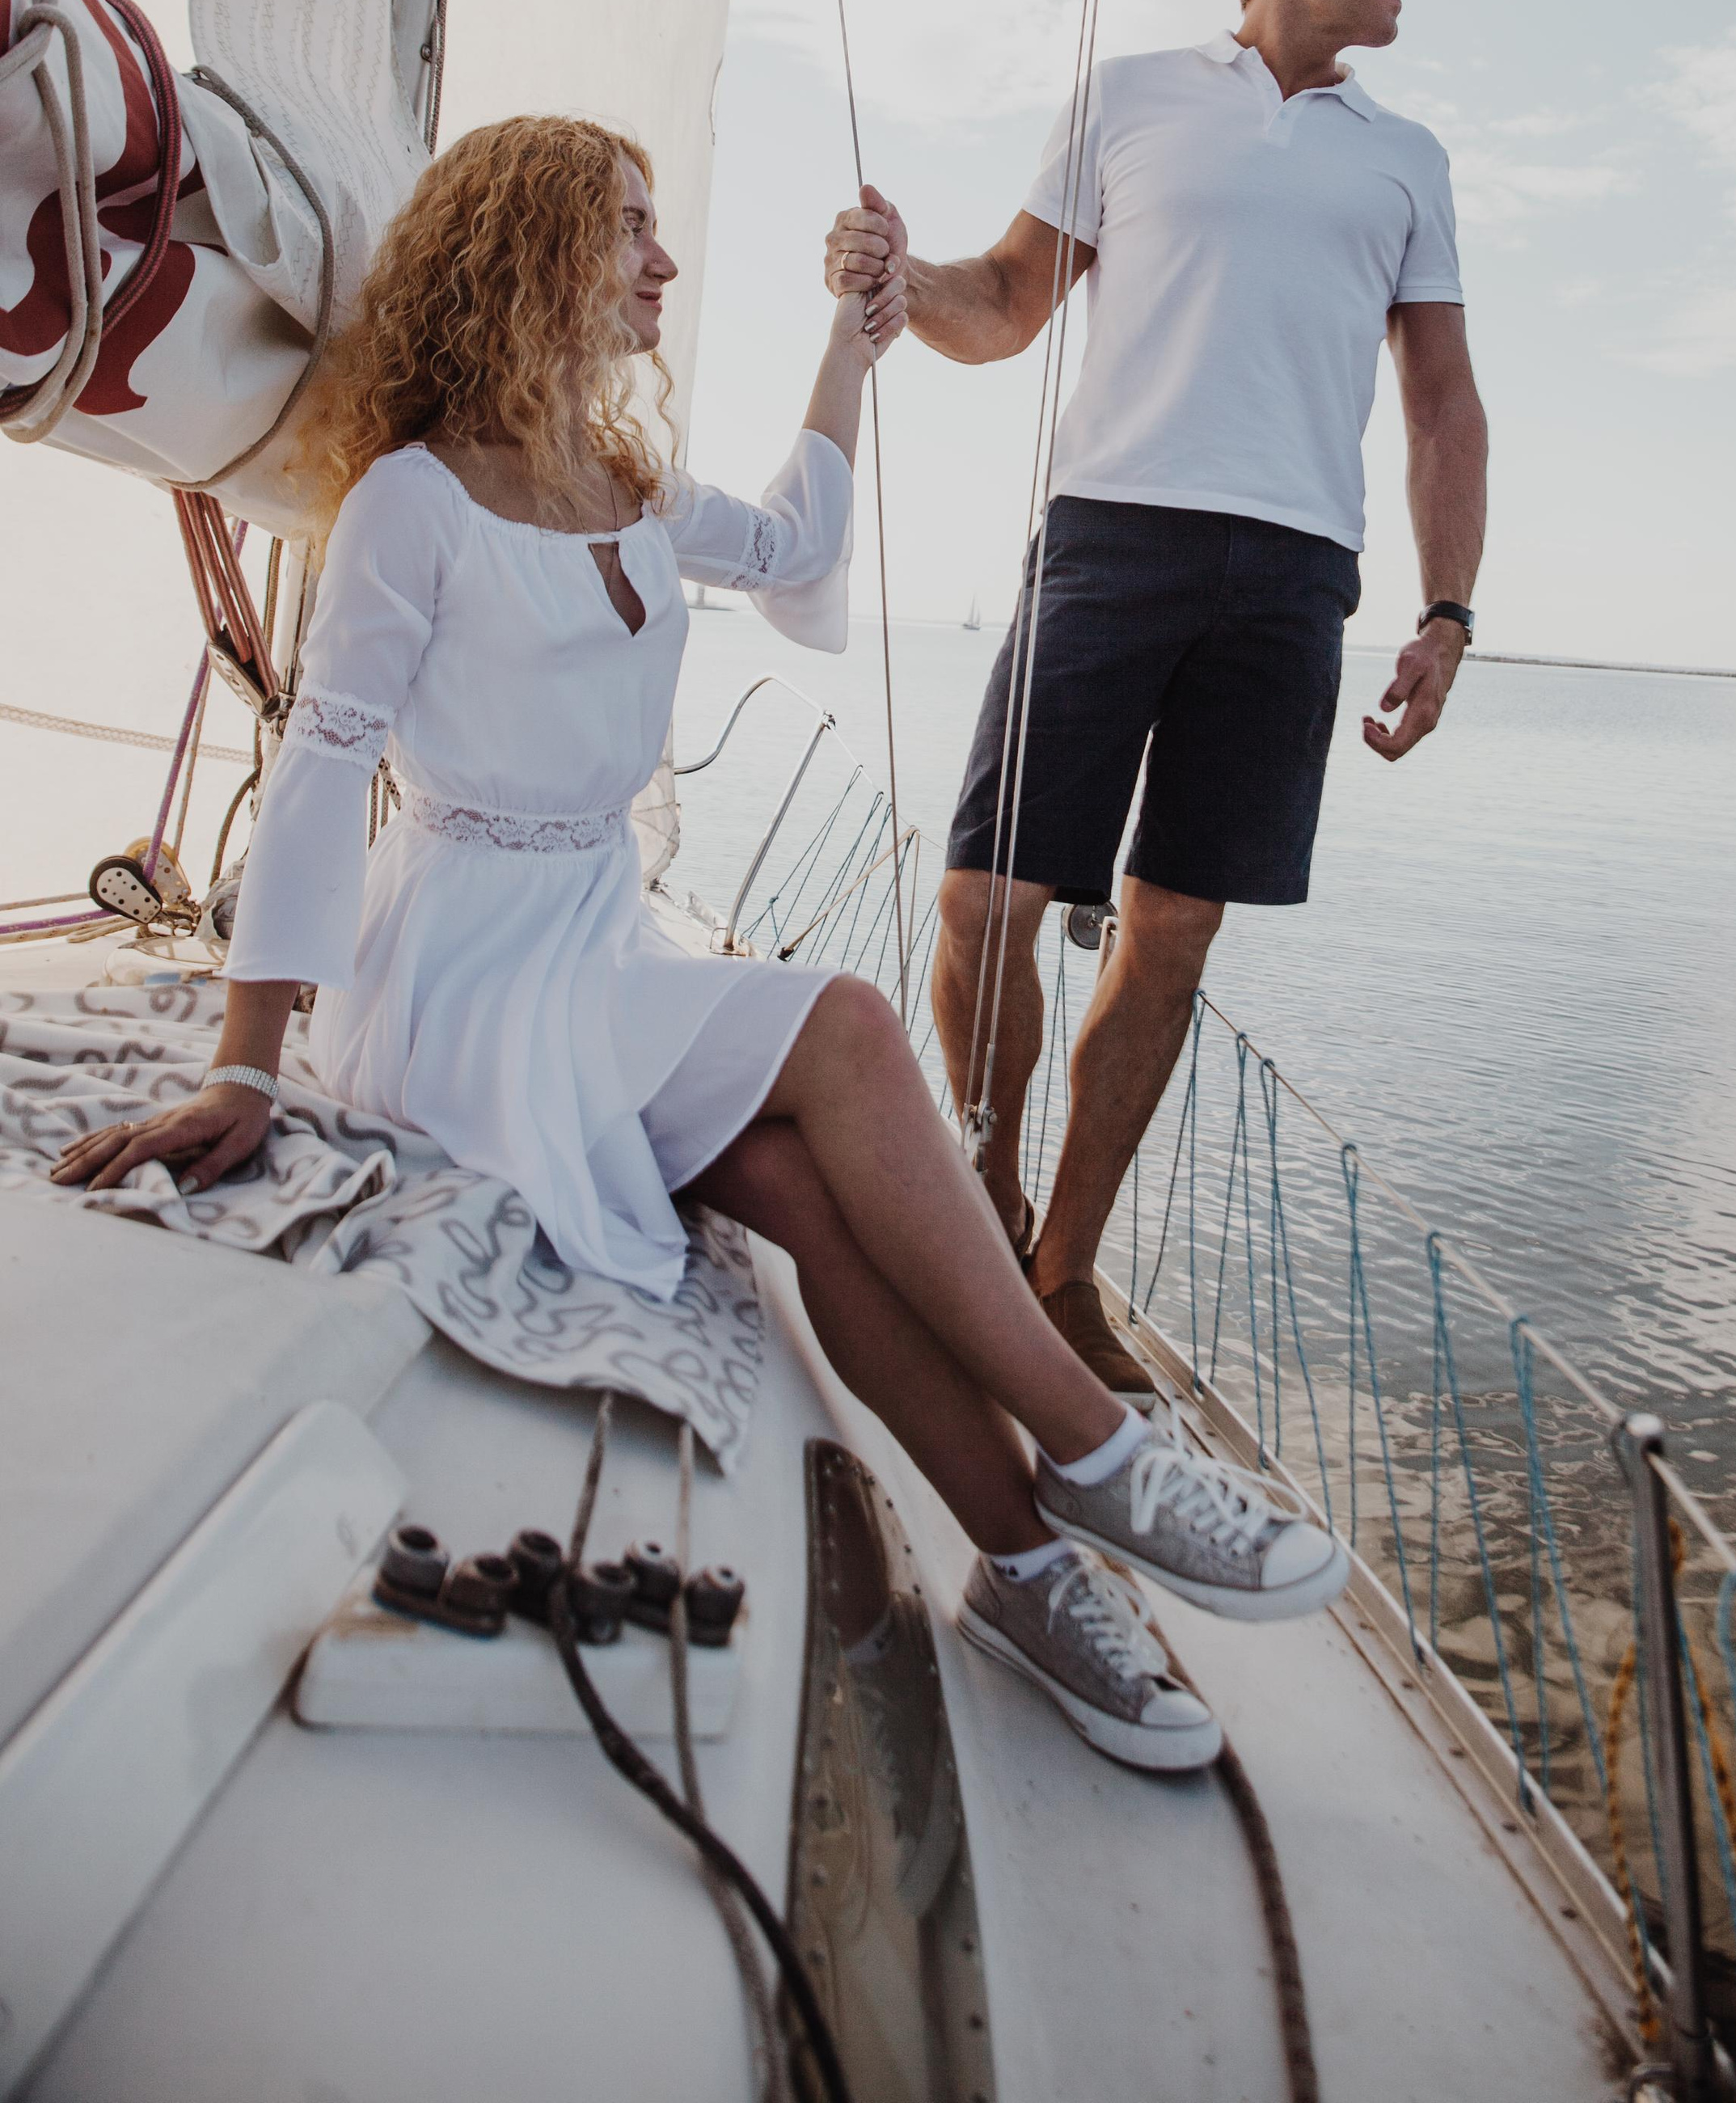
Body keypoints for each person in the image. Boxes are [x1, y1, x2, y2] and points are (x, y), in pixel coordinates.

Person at [53, 113, 1348, 1773]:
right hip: (462, 977)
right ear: (527, 250)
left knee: (807, 1192)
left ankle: (1025, 1574)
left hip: (597, 945)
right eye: (628, 228)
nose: (663, 260)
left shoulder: (630, 487)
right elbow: (318, 769)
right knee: (851, 1025)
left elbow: (798, 550)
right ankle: (1100, 1455)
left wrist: (853, 350)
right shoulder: (410, 503)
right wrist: (247, 1067)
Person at [826, 0, 1488, 1399]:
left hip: (1295, 576)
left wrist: (1447, 610)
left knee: (1174, 932)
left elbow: (1442, 405)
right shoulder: (1130, 97)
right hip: (1112, 538)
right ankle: (980, 1217)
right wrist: (898, 277)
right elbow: (1005, 303)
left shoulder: (1409, 160)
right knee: (984, 903)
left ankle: (1062, 1274)